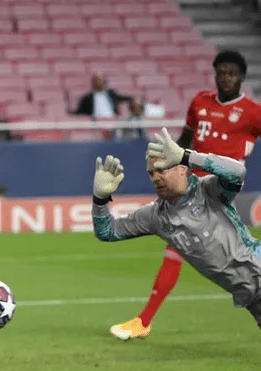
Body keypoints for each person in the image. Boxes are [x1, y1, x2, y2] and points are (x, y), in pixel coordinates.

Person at [109, 50, 261, 340]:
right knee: (175, 251)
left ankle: (143, 321)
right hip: (189, 189)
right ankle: (143, 321)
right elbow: (181, 142)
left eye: (232, 72)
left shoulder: (253, 111)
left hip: (218, 192)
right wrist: (168, 169)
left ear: (241, 76)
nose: (226, 77)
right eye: (221, 72)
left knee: (221, 254)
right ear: (215, 74)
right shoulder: (200, 103)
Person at [92, 128, 261, 334]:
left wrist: (187, 156)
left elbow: (237, 173)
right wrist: (100, 199)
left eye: (162, 169)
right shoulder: (155, 216)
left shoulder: (208, 190)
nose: (156, 177)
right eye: (151, 173)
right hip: (252, 299)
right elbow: (108, 232)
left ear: (182, 169)